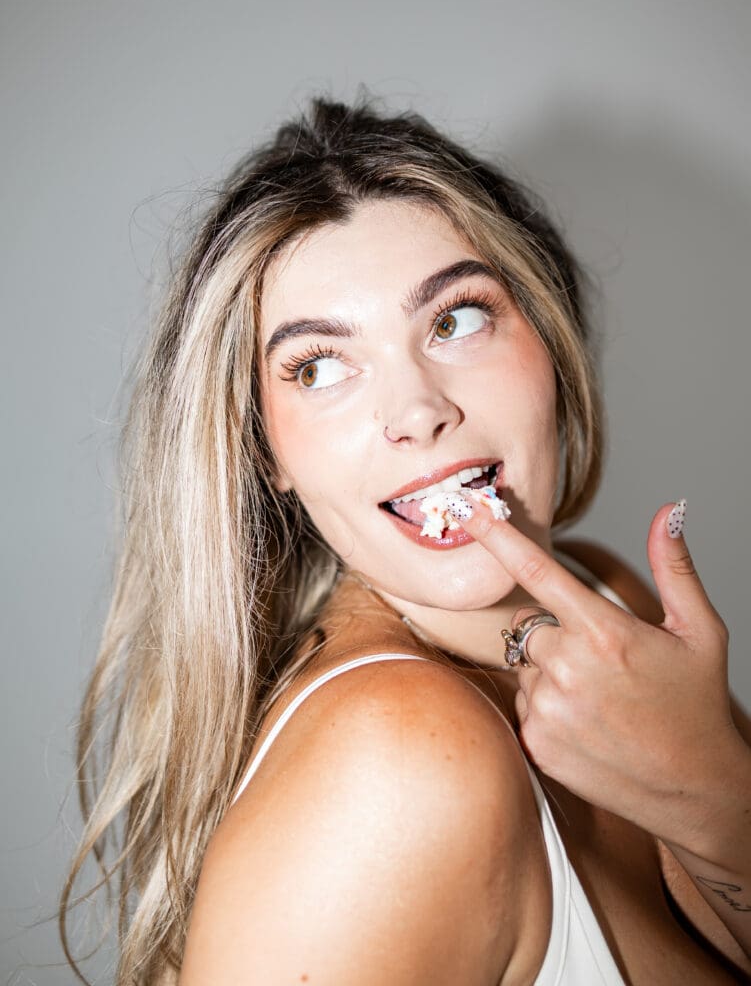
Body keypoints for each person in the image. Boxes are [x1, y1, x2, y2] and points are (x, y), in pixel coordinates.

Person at [61, 94, 751, 985]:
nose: (419, 412)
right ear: (264, 451)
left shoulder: (609, 603)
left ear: (548, 339)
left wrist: (715, 797)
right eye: (319, 367)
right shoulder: (394, 764)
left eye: (455, 319)